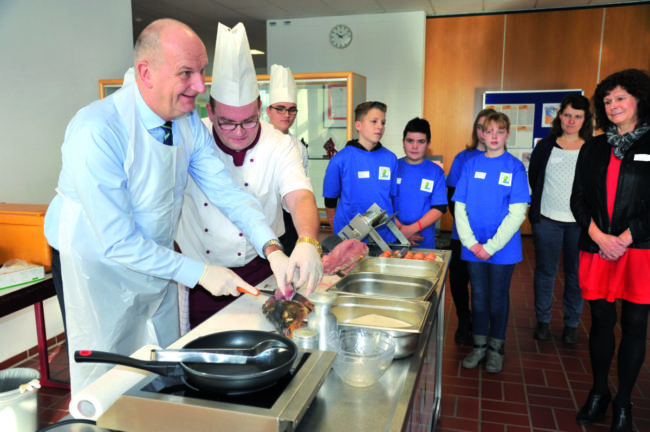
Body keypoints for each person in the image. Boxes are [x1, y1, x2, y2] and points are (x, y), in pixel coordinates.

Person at [43, 19, 291, 395]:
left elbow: (227, 191)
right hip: (96, 265)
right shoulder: (97, 130)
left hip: (155, 255)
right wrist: (201, 272)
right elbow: (118, 243)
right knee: (109, 366)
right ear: (146, 72)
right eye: (186, 73)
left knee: (160, 357)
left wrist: (271, 248)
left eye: (202, 71)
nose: (199, 86)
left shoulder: (186, 122)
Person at [176, 23, 322, 329]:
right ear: (211, 113)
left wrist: (308, 240)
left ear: (260, 108)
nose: (240, 133)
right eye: (228, 123)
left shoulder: (279, 144)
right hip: (202, 277)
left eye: (250, 121)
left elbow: (299, 196)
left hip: (262, 272)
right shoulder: (191, 139)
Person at [571, 68, 650, 431]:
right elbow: (579, 199)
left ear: (639, 101)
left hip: (640, 251)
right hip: (597, 247)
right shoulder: (593, 147)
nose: (613, 105)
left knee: (635, 326)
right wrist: (601, 237)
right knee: (601, 322)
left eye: (621, 98)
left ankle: (623, 403)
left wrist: (626, 238)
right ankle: (599, 392)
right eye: (607, 100)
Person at [453, 112, 530, 374]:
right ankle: (479, 346)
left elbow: (518, 212)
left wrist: (490, 247)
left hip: (502, 249)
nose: (494, 136)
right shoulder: (471, 165)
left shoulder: (515, 167)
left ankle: (496, 348)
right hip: (472, 246)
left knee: (497, 298)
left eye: (500, 131)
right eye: (489, 131)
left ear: (507, 134)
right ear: (481, 135)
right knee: (479, 297)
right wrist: (472, 243)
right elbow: (459, 206)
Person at [528, 94, 593, 344]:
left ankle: (571, 324)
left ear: (585, 119)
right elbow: (535, 178)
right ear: (559, 116)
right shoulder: (545, 145)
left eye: (578, 116)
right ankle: (543, 320)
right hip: (547, 221)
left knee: (575, 275)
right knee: (545, 271)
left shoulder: (592, 147)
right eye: (567, 114)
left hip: (580, 224)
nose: (571, 120)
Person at [446, 108, 497, 344]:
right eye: (479, 126)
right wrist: (465, 227)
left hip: (491, 237)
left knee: (484, 283)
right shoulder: (463, 158)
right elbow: (452, 196)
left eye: (487, 127)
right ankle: (463, 318)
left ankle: (480, 322)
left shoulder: (502, 160)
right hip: (462, 235)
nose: (482, 131)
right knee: (458, 280)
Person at [323, 101, 398, 243]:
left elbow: (392, 198)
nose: (380, 127)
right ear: (358, 125)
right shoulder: (341, 159)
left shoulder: (390, 159)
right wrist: (338, 235)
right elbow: (330, 201)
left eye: (383, 122)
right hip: (350, 237)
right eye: (374, 121)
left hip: (384, 236)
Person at [266, 64, 309, 255]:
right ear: (268, 110)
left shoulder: (298, 146)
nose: (286, 115)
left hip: (290, 217)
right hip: (264, 215)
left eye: (292, 110)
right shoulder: (258, 141)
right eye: (280, 109)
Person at [393, 117, 447, 248]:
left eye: (421, 141)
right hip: (393, 238)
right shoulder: (392, 168)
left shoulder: (436, 172)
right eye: (410, 140)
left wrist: (411, 229)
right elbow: (383, 203)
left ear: (428, 144)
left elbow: (439, 208)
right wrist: (401, 230)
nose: (415, 146)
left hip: (423, 241)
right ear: (403, 142)